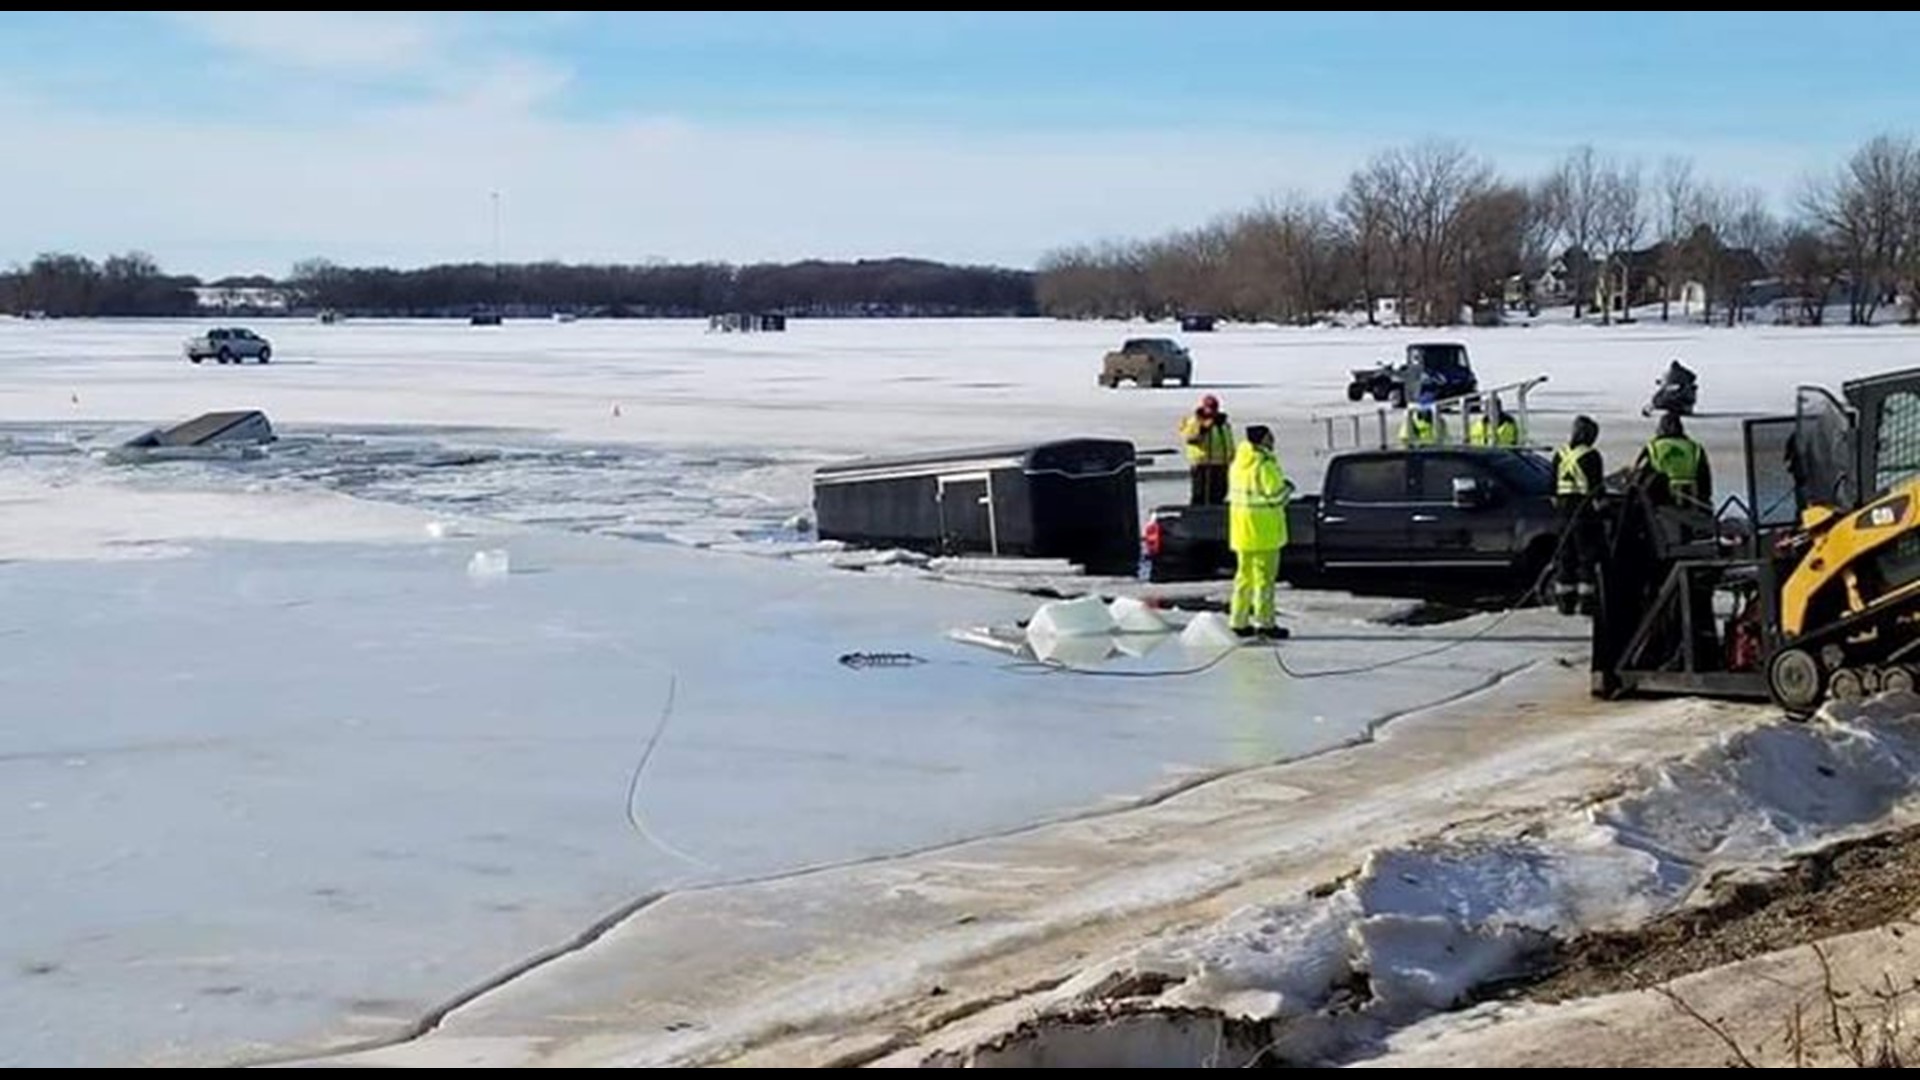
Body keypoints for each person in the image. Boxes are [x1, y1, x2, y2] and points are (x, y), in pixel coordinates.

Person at [1227, 424, 1294, 641]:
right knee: (1264, 580)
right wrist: (1288, 489)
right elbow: (1275, 498)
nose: (1273, 440)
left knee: (1243, 578)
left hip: (1242, 531)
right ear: (1263, 440)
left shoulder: (1238, 464)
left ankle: (1238, 621)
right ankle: (1265, 623)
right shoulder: (1264, 465)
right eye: (1270, 437)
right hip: (1264, 533)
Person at [1550, 415, 1606, 616]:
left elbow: (1552, 487)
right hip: (1583, 512)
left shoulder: (1560, 454)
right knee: (1586, 556)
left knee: (1566, 555)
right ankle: (1586, 601)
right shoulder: (1591, 456)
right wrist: (1602, 507)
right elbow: (1597, 488)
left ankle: (1565, 602)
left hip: (1563, 512)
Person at [1634, 410, 1712, 506]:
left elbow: (1638, 478)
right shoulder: (1694, 448)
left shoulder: (1653, 448)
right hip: (1692, 503)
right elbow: (1705, 482)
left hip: (1661, 505)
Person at [1179, 394, 1235, 505]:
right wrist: (1203, 429)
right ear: (1204, 407)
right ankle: (1198, 517)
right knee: (1201, 496)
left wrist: (1232, 457)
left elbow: (1229, 441)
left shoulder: (1223, 423)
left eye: (1214, 408)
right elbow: (1189, 438)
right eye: (1209, 408)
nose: (1212, 411)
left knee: (1220, 494)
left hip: (1221, 464)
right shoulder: (1195, 421)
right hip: (1203, 465)